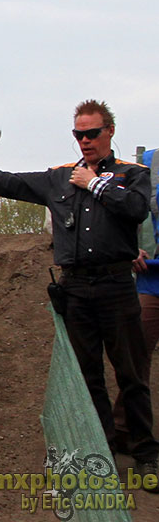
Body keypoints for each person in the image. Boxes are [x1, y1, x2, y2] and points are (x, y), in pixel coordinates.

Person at [0, 99, 159, 485]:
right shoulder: (59, 177)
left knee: (132, 374)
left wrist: (95, 184)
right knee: (88, 377)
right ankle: (102, 453)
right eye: (78, 135)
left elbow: (135, 210)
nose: (84, 141)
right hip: (76, 287)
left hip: (117, 285)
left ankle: (148, 454)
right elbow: (9, 182)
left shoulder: (131, 174)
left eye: (92, 134)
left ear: (109, 132)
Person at [113, 146, 159, 455]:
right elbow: (113, 207)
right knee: (136, 355)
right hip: (151, 280)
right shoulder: (148, 162)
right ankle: (122, 430)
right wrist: (128, 246)